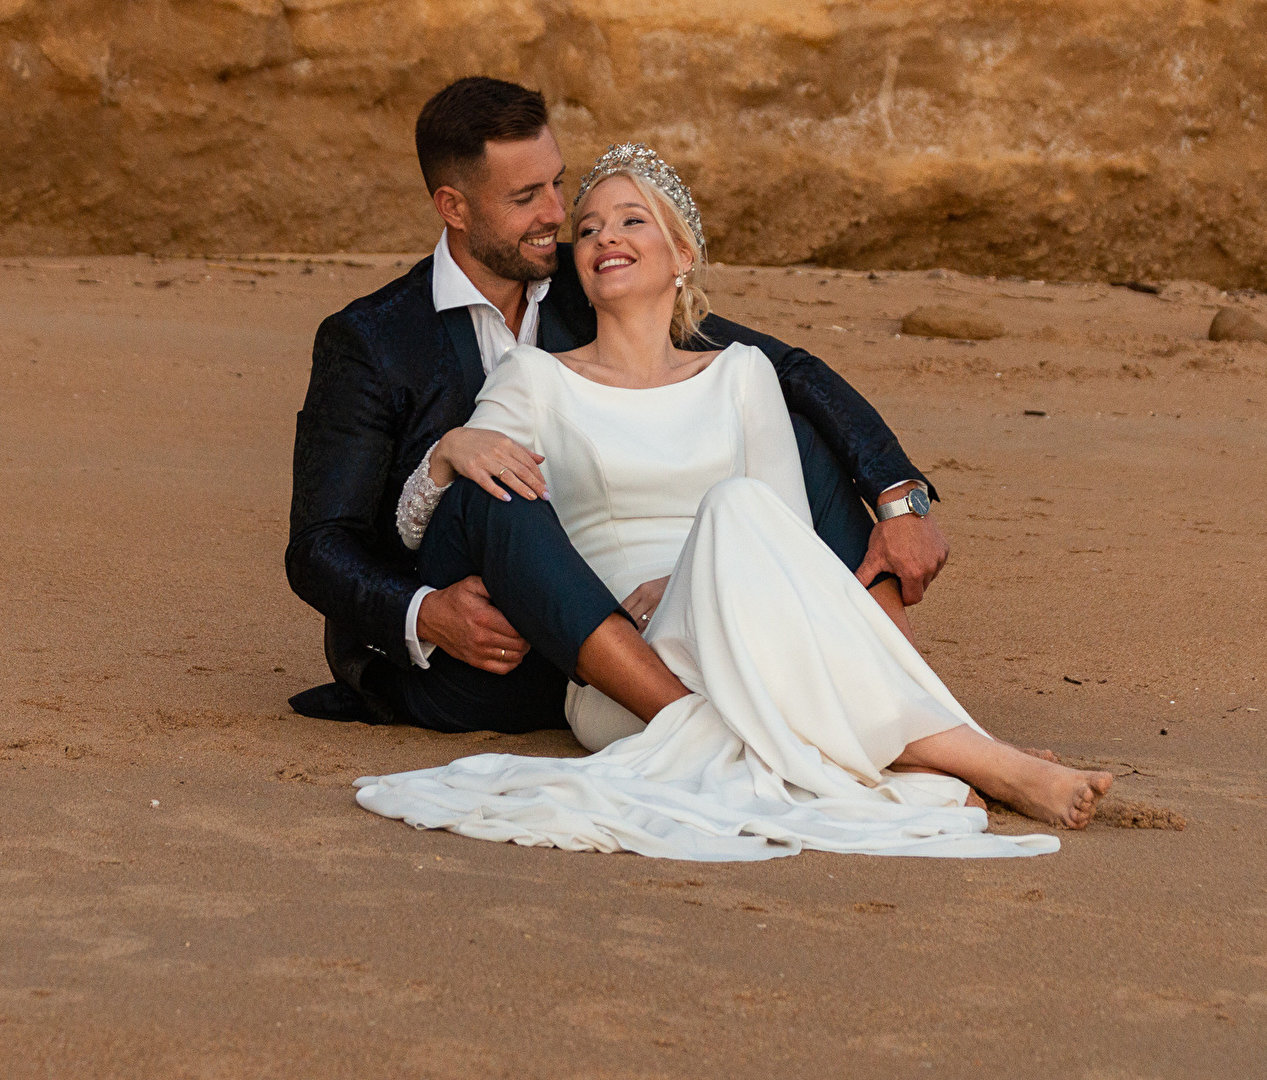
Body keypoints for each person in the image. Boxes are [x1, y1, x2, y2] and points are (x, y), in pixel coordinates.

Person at [354, 144, 1114, 860]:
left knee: (738, 511)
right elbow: (428, 523)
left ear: (680, 256)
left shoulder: (743, 372)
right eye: (586, 228)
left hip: (742, 626)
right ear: (577, 265)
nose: (603, 237)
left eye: (630, 220)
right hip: (626, 664)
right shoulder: (533, 378)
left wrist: (695, 576)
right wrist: (450, 452)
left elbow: (783, 547)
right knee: (732, 511)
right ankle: (987, 760)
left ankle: (954, 751)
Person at [286, 77, 946, 736]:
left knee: (796, 434)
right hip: (489, 651)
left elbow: (788, 369)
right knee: (498, 490)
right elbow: (319, 547)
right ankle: (703, 729)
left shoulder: (596, 275)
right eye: (525, 197)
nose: (556, 213)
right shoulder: (373, 340)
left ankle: (910, 693)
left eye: (556, 183)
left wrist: (899, 496)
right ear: (454, 207)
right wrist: (427, 613)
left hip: (626, 627)